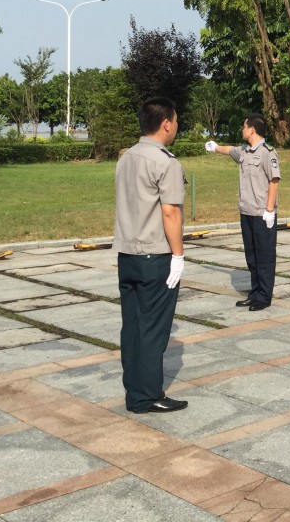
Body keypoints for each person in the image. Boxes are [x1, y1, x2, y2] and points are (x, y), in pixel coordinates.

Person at [114, 96, 188, 414]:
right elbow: (170, 212)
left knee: (132, 326)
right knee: (153, 329)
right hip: (154, 255)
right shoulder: (165, 162)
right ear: (166, 124)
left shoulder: (126, 157)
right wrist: (178, 256)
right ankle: (147, 395)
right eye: (176, 121)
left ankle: (134, 392)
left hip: (127, 253)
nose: (177, 126)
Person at [205, 114, 280, 311]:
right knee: (251, 256)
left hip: (262, 214)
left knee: (264, 257)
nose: (242, 129)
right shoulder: (244, 151)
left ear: (252, 129)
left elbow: (274, 182)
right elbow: (229, 150)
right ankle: (255, 293)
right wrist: (215, 147)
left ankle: (264, 297)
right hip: (246, 212)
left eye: (244, 126)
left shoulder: (268, 153)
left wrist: (269, 211)